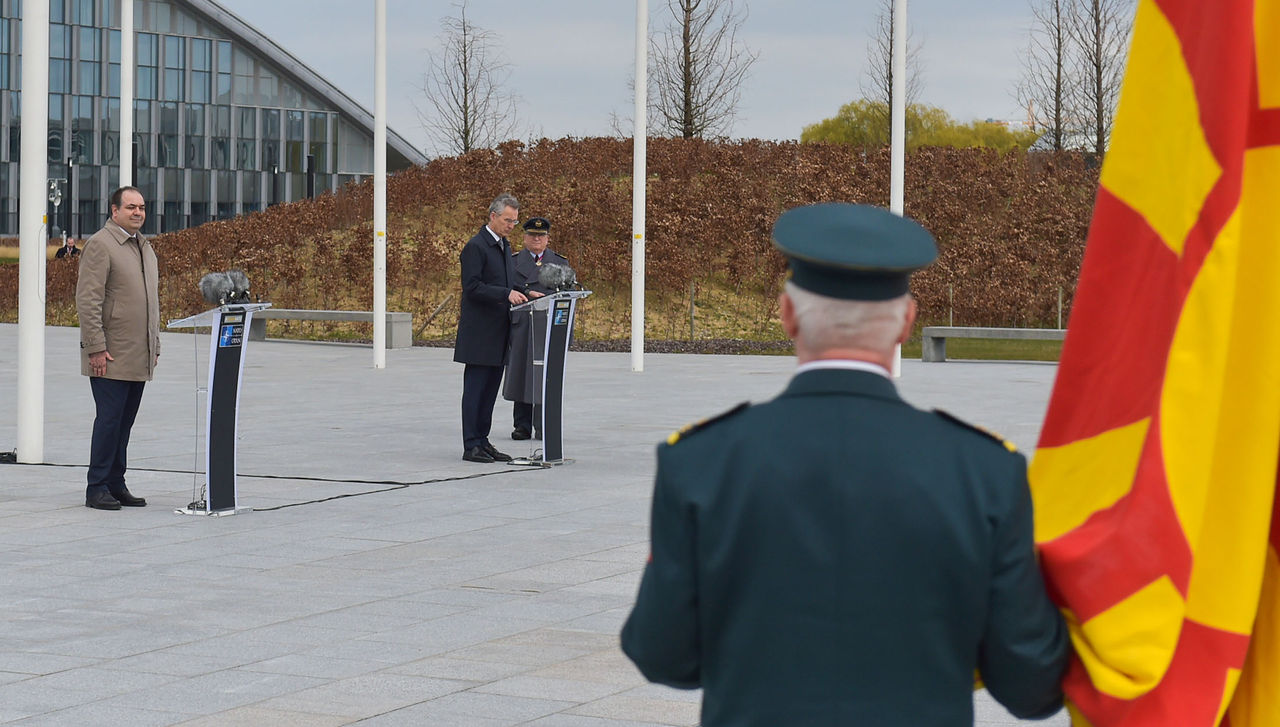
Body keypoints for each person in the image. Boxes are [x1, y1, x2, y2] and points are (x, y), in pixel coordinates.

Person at [620, 203, 1070, 726]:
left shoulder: (700, 461)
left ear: (787, 315)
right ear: (906, 322)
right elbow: (1031, 684)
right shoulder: (985, 472)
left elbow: (661, 652)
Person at [75, 186, 159, 510]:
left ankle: (115, 482)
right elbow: (88, 299)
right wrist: (95, 347)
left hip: (138, 353)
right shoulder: (101, 245)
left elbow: (152, 302)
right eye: (130, 207)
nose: (137, 212)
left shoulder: (144, 247)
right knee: (109, 421)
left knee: (124, 423)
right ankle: (96, 487)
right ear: (114, 211)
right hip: (109, 355)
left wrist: (155, 343)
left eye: (141, 207)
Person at [455, 193, 528, 463]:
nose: (511, 225)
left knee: (489, 391)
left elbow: (507, 282)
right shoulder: (476, 246)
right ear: (493, 216)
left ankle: (483, 441)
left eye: (515, 221)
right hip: (479, 333)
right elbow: (472, 287)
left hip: (499, 332)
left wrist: (526, 292)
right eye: (508, 220)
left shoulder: (504, 246)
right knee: (476, 390)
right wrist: (505, 294)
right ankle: (470, 443)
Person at [503, 216, 570, 441]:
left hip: (548, 326)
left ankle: (543, 424)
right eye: (532, 235)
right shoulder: (511, 262)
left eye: (541, 236)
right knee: (521, 372)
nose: (537, 239)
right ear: (524, 237)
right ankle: (521, 424)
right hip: (522, 324)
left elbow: (568, 299)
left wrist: (565, 333)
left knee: (545, 376)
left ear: (548, 238)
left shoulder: (560, 263)